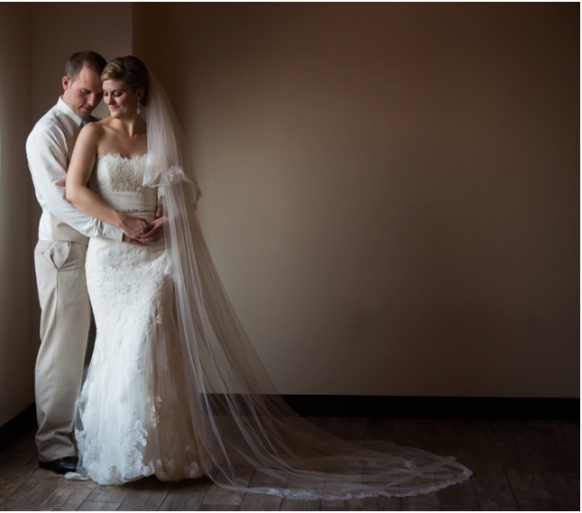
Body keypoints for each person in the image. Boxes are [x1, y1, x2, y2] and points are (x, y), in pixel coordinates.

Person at [64, 56, 472, 499]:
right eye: (104, 95)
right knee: (118, 346)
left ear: (139, 92)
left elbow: (181, 194)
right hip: (112, 257)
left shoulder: (158, 135)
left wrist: (169, 221)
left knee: (153, 338)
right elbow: (74, 189)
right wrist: (121, 222)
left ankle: (165, 452)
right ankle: (124, 453)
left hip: (157, 255)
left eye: (116, 93)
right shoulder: (93, 133)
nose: (107, 102)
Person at [25, 51, 162, 475]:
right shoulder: (47, 133)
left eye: (97, 93)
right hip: (66, 250)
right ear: (65, 84)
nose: (93, 101)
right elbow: (60, 200)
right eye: (85, 92)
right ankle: (52, 447)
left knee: (107, 347)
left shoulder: (95, 128)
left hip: (103, 251)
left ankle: (98, 434)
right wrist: (118, 227)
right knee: (62, 350)